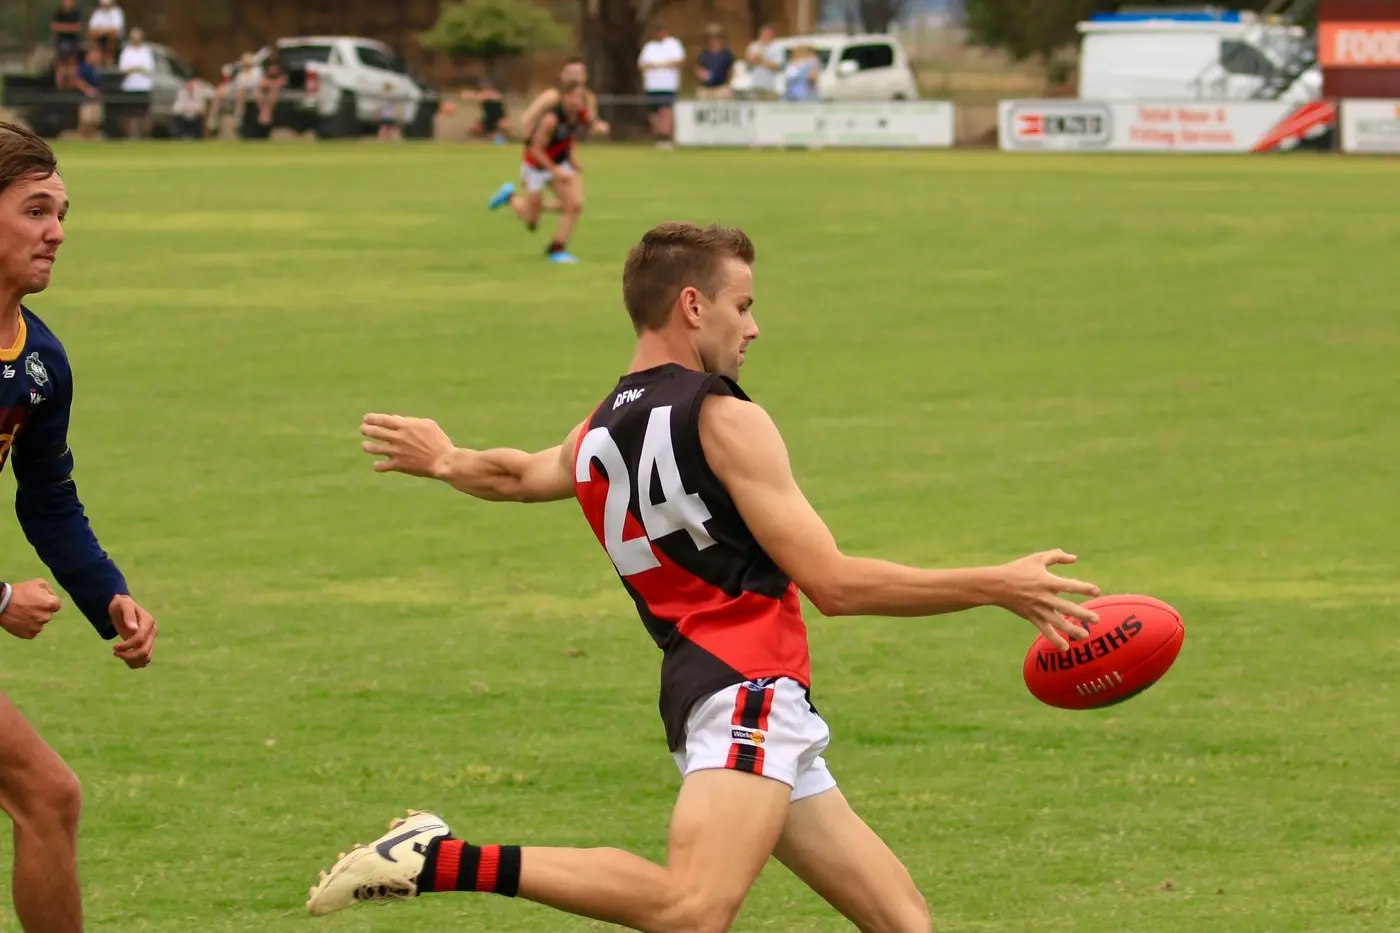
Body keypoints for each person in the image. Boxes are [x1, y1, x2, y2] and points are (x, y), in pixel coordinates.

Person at [307, 221, 1100, 931]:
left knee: (902, 921)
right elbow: (835, 585)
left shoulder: (597, 432)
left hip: (722, 689)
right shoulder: (726, 415)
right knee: (692, 907)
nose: (754, 327)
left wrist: (445, 458)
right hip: (746, 684)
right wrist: (996, 583)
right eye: (743, 305)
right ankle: (440, 858)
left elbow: (517, 475)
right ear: (692, 305)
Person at [0, 122, 158, 933]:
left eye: (61, 212)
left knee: (46, 797)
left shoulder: (38, 361)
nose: (56, 230)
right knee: (47, 794)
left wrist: (110, 598)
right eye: (34, 210)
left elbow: (47, 498)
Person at [485, 81, 589, 264]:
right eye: (573, 97)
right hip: (535, 167)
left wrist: (573, 162)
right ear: (563, 97)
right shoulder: (551, 120)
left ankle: (556, 249)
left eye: (580, 97)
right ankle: (510, 197)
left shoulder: (577, 116)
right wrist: (556, 171)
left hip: (557, 163)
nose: (577, 101)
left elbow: (568, 138)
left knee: (574, 205)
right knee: (530, 220)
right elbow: (535, 150)